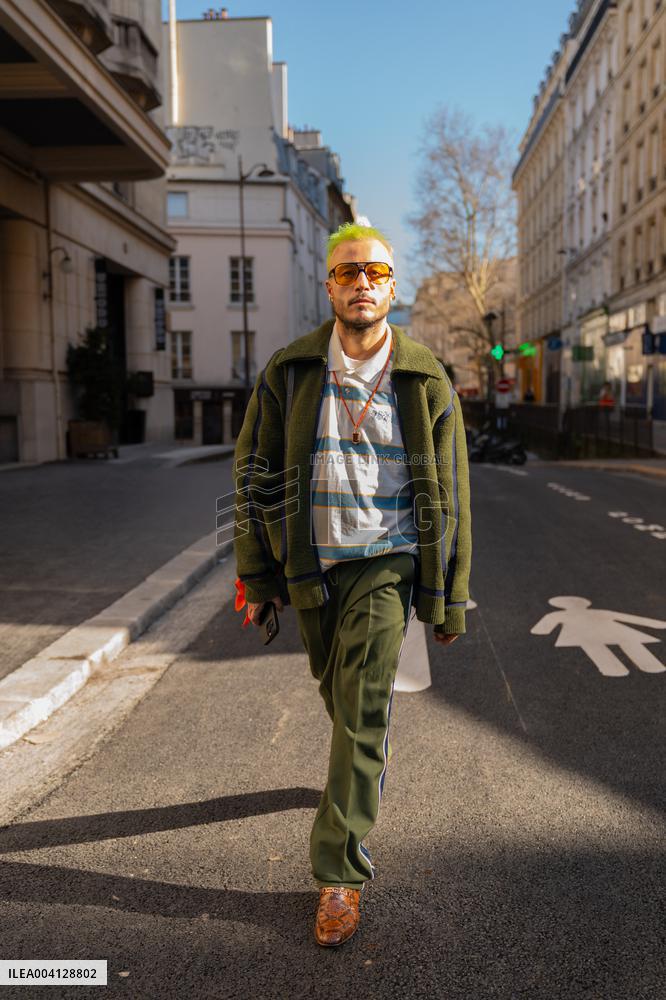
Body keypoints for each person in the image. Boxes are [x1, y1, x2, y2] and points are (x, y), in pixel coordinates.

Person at [233, 222, 472, 948]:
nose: (362, 282)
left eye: (375, 272)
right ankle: (356, 770)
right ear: (329, 286)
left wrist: (448, 593)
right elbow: (256, 472)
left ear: (392, 288)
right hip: (312, 563)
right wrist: (257, 571)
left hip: (388, 559)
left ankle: (338, 872)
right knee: (340, 698)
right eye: (348, 273)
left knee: (364, 707)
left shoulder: (426, 376)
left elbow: (452, 489)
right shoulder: (291, 369)